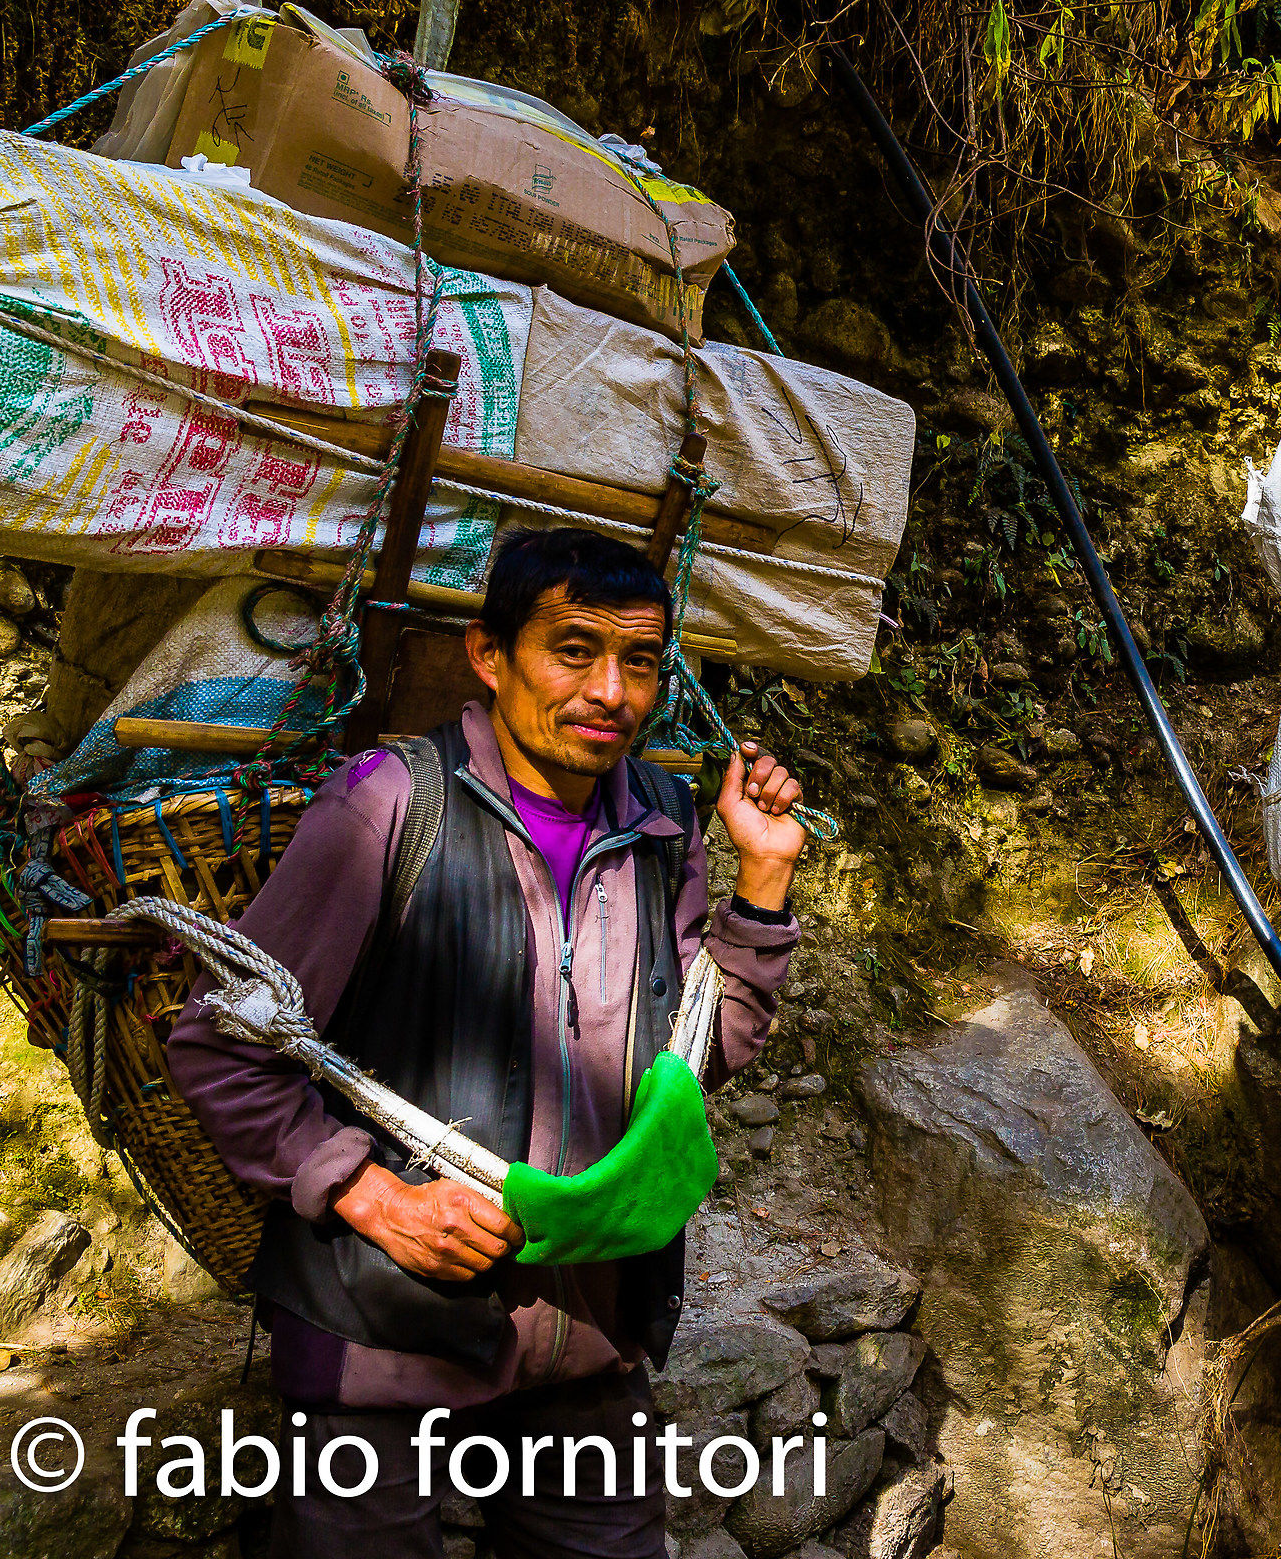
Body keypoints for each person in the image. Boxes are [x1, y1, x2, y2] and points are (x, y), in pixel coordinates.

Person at [169, 526, 807, 1557]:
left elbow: (698, 1059)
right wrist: (375, 1196)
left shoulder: (662, 822)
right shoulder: (387, 804)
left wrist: (764, 881)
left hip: (589, 1331)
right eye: (573, 649)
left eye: (639, 661)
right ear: (490, 655)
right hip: (381, 1329)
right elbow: (217, 1040)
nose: (611, 690)